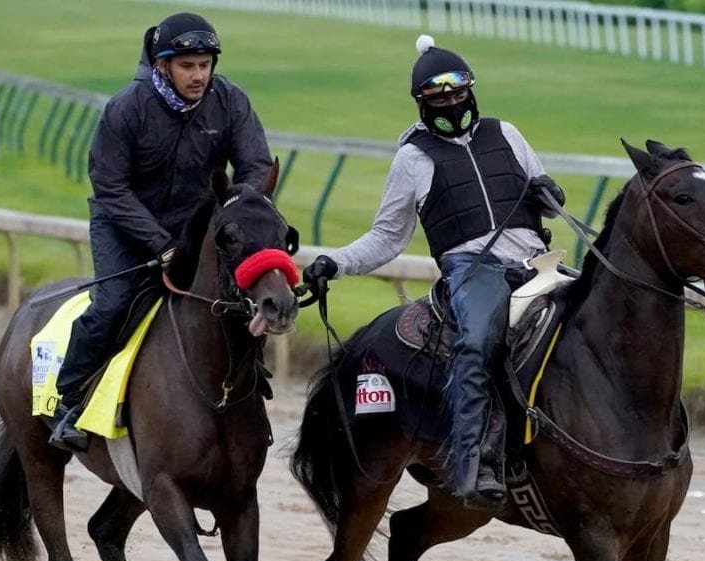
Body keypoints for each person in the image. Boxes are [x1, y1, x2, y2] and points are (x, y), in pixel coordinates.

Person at [301, 35, 566, 511]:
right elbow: (387, 238)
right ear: (422, 103)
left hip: (535, 262)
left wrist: (546, 190)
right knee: (478, 338)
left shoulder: (507, 133)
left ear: (471, 90)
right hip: (473, 270)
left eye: (457, 91)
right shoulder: (413, 158)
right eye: (437, 96)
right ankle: (470, 463)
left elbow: (539, 192)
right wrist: (335, 262)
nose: (450, 101)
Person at [50, 12, 273, 451]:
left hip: (196, 227)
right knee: (114, 304)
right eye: (187, 66)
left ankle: (248, 396)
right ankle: (68, 404)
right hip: (125, 225)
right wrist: (159, 244)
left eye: (205, 64)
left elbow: (256, 166)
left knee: (240, 298)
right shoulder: (126, 108)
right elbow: (110, 186)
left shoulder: (230, 102)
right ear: (162, 65)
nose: (199, 75)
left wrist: (239, 216)